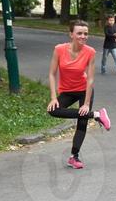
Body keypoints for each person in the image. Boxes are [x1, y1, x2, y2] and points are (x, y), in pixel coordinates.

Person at [47, 20, 112, 170]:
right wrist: (53, 97)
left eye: (86, 34)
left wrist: (86, 103)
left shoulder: (90, 52)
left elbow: (90, 79)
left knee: (82, 120)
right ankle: (96, 114)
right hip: (67, 91)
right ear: (71, 34)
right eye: (79, 33)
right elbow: (51, 74)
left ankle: (74, 157)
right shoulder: (59, 49)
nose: (83, 36)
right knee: (53, 110)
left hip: (84, 89)